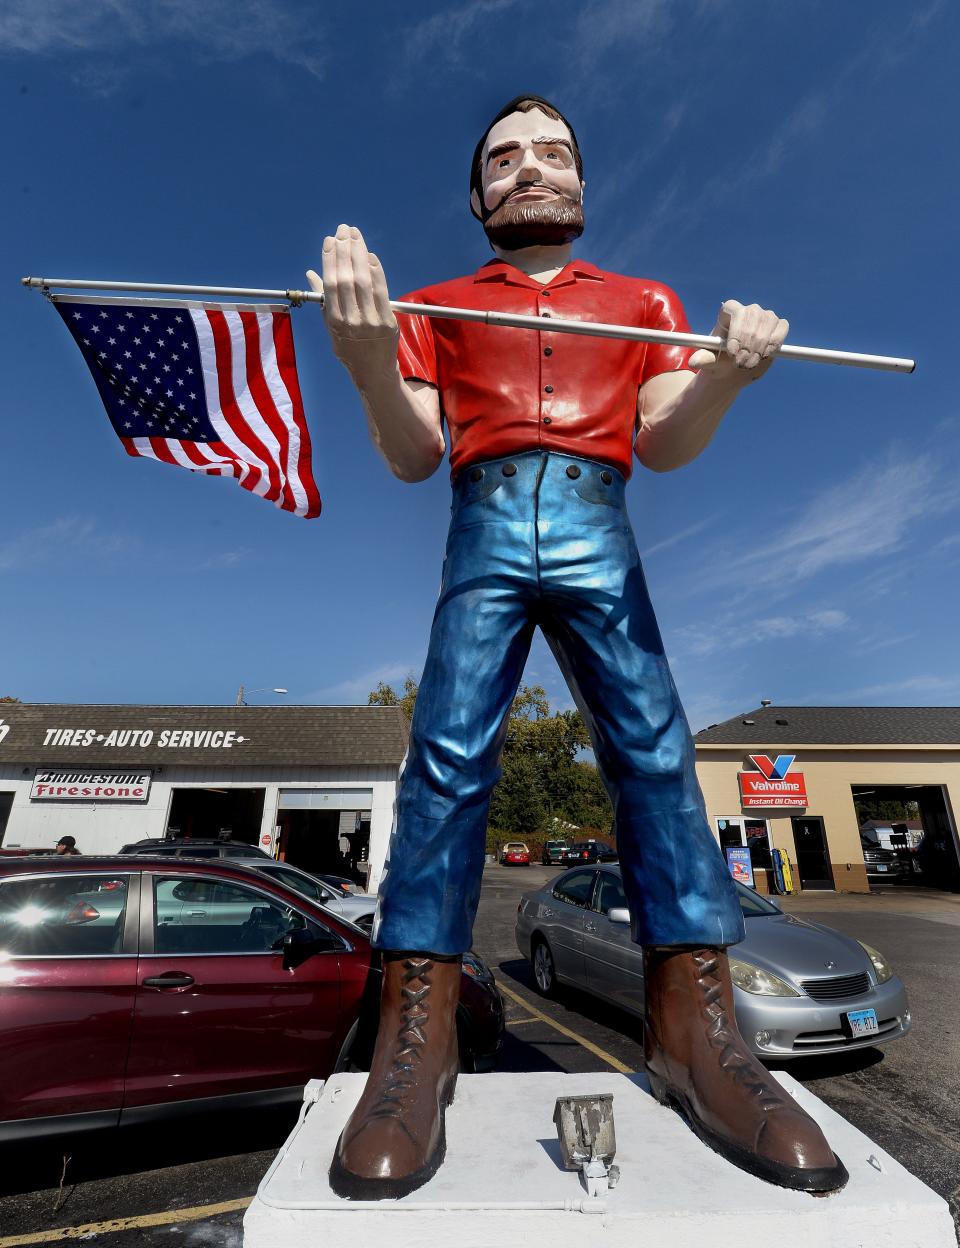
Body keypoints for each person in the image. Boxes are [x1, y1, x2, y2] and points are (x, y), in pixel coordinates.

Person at [309, 95, 846, 1200]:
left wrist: (730, 378)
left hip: (603, 524)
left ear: (582, 183)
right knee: (449, 758)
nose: (530, 170)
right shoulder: (435, 305)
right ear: (477, 195)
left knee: (652, 754)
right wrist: (369, 357)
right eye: (504, 158)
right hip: (487, 520)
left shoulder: (644, 301)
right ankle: (416, 1038)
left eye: (552, 153)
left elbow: (667, 439)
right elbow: (413, 454)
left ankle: (696, 1028)